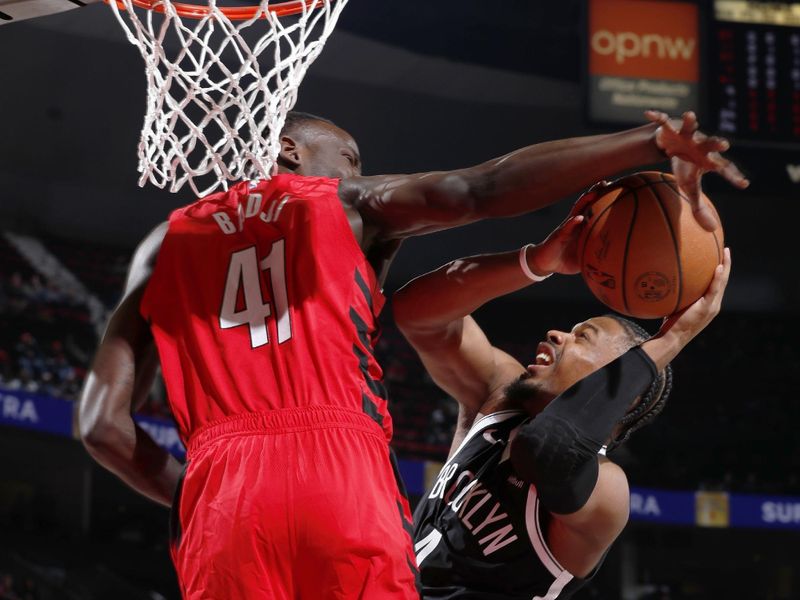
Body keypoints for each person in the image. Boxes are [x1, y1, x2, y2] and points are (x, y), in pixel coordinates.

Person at [78, 109, 742, 599]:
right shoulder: (342, 204)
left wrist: (199, 498)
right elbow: (481, 193)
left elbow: (102, 427)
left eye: (587, 338)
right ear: (290, 152)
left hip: (221, 487)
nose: (360, 175)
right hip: (338, 470)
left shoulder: (164, 245)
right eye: (353, 160)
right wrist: (639, 146)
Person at [392, 193, 731, 598]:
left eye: (582, 336)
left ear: (625, 392)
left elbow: (547, 448)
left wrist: (673, 337)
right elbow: (418, 314)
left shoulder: (606, 490)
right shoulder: (503, 394)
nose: (557, 333)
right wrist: (534, 262)